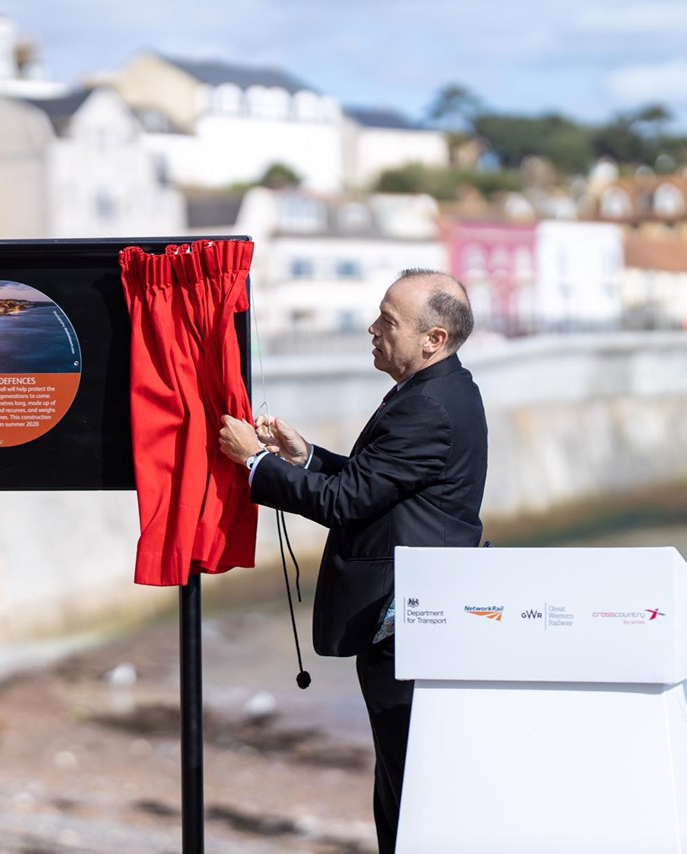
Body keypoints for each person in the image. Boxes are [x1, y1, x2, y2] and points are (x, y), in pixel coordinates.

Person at [218, 268, 488, 854]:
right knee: (403, 779)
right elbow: (379, 483)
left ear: (433, 340)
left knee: (410, 786)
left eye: (388, 322)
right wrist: (306, 455)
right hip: (418, 620)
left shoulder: (429, 407)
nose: (373, 329)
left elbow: (347, 503)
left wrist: (254, 465)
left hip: (413, 625)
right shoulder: (438, 392)